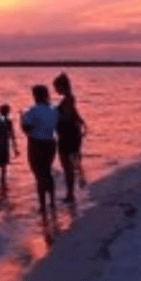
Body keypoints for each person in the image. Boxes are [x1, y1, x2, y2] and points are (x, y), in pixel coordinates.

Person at [21, 85, 59, 214]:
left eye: (34, 95)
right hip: (51, 143)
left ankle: (43, 206)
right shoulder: (53, 109)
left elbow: (26, 129)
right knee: (48, 171)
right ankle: (52, 202)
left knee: (39, 175)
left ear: (37, 95)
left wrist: (21, 118)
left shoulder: (33, 110)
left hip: (36, 143)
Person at [53, 72, 88, 203]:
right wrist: (81, 122)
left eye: (56, 88)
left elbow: (69, 117)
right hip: (72, 135)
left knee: (67, 166)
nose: (55, 90)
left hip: (67, 136)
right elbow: (74, 113)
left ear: (62, 87)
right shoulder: (70, 98)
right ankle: (74, 188)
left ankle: (70, 194)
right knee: (71, 164)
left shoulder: (67, 100)